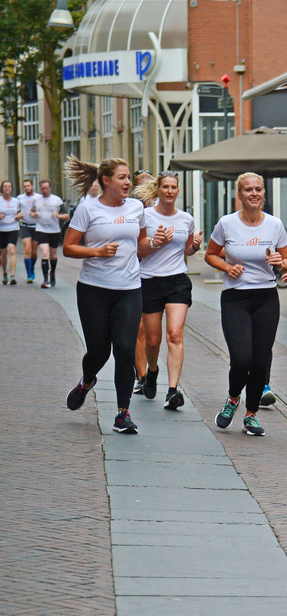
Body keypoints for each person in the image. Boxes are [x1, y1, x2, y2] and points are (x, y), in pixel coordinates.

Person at [62, 157, 148, 435]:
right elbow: (68, 247)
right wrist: (96, 251)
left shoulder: (136, 207)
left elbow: (141, 244)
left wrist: (157, 242)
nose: (128, 183)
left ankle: (123, 414)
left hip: (129, 289)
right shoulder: (88, 209)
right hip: (94, 290)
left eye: (128, 178)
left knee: (124, 349)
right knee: (99, 351)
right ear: (106, 181)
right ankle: (87, 381)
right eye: (122, 178)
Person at [203, 172, 287, 437]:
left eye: (258, 190)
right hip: (236, 298)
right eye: (248, 190)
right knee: (242, 358)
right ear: (239, 195)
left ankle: (250, 415)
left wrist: (282, 265)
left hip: (266, 297)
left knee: (260, 360)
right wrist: (227, 267)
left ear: (264, 193)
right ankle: (232, 399)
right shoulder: (226, 224)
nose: (254, 194)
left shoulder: (274, 225)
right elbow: (209, 255)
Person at [135, 172, 201, 410]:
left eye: (174, 187)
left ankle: (173, 390)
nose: (170, 191)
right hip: (150, 280)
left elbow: (187, 249)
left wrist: (194, 246)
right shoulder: (144, 216)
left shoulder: (186, 219)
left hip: (177, 281)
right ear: (158, 189)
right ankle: (152, 372)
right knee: (152, 341)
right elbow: (137, 251)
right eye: (166, 187)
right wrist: (156, 242)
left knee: (175, 334)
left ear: (178, 190)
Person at [132, 168, 156, 395]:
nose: (146, 194)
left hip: (154, 278)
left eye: (150, 188)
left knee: (153, 334)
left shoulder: (161, 214)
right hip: (132, 275)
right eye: (141, 189)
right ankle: (141, 375)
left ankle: (151, 370)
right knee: (138, 329)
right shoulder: (131, 213)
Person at [32, 179, 67, 288]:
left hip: (54, 230)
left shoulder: (57, 200)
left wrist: (58, 216)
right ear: (40, 189)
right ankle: (45, 279)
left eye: (46, 188)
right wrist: (34, 214)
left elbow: (66, 215)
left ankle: (52, 273)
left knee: (53, 255)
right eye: (43, 189)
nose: (45, 190)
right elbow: (32, 211)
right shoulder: (36, 200)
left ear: (50, 188)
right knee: (44, 253)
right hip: (41, 229)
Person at [17, 179, 38, 284]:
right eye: (25, 186)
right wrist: (18, 214)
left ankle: (32, 267)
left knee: (34, 252)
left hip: (36, 226)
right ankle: (29, 274)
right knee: (27, 249)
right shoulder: (20, 198)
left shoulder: (38, 198)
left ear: (32, 186)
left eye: (28, 186)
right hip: (24, 226)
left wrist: (37, 214)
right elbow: (16, 210)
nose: (27, 188)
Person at [0, 182, 19, 285]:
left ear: (11, 189)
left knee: (11, 250)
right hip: (2, 229)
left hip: (13, 228)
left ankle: (12, 275)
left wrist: (19, 216)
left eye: (9, 186)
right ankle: (5, 273)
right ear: (2, 189)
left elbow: (20, 212)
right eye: (5, 187)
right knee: (3, 253)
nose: (7, 188)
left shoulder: (16, 201)